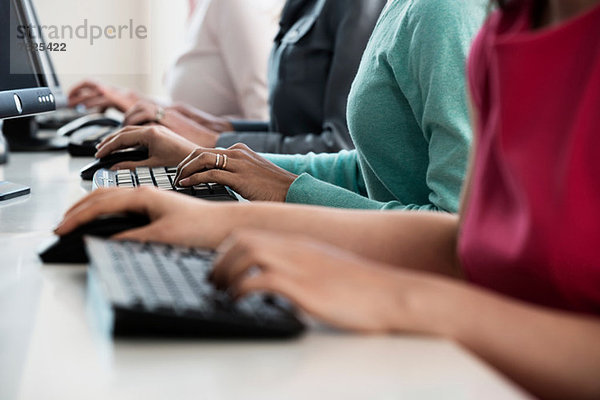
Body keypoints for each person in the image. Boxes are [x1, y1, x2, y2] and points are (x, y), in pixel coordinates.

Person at [57, 0, 600, 398]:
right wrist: (216, 215)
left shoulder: (452, 15)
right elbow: (467, 238)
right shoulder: (508, 26)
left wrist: (399, 297)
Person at [95, 0, 486, 212]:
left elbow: (454, 230)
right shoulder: (405, 7)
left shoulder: (444, 12)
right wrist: (215, 157)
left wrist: (289, 192)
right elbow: (372, 171)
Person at [122, 0, 387, 154]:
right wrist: (220, 127)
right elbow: (292, 126)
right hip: (277, 180)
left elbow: (341, 147)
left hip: (308, 198)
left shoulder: (358, 6)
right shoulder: (304, 5)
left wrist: (212, 141)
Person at [68, 0, 283, 120]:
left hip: (227, 172)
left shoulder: (231, 4)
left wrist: (160, 117)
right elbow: (197, 109)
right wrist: (130, 99)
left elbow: (261, 118)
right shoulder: (201, 7)